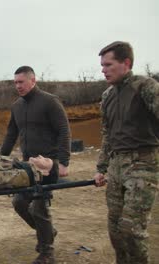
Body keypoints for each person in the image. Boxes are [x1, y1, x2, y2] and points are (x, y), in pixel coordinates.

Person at [93, 41, 159, 264]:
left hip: (143, 164)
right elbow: (107, 135)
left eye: (108, 64)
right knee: (116, 229)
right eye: (102, 65)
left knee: (132, 229)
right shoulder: (107, 96)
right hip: (116, 166)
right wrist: (101, 168)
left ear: (126, 63)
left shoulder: (146, 87)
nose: (103, 69)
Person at [0, 66, 71, 264]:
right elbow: (11, 134)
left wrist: (63, 162)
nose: (17, 86)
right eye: (15, 82)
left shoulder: (49, 101)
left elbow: (64, 130)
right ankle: (47, 232)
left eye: (21, 82)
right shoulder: (17, 106)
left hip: (48, 165)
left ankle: (47, 253)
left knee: (39, 208)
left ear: (33, 80)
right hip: (27, 167)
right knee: (19, 203)